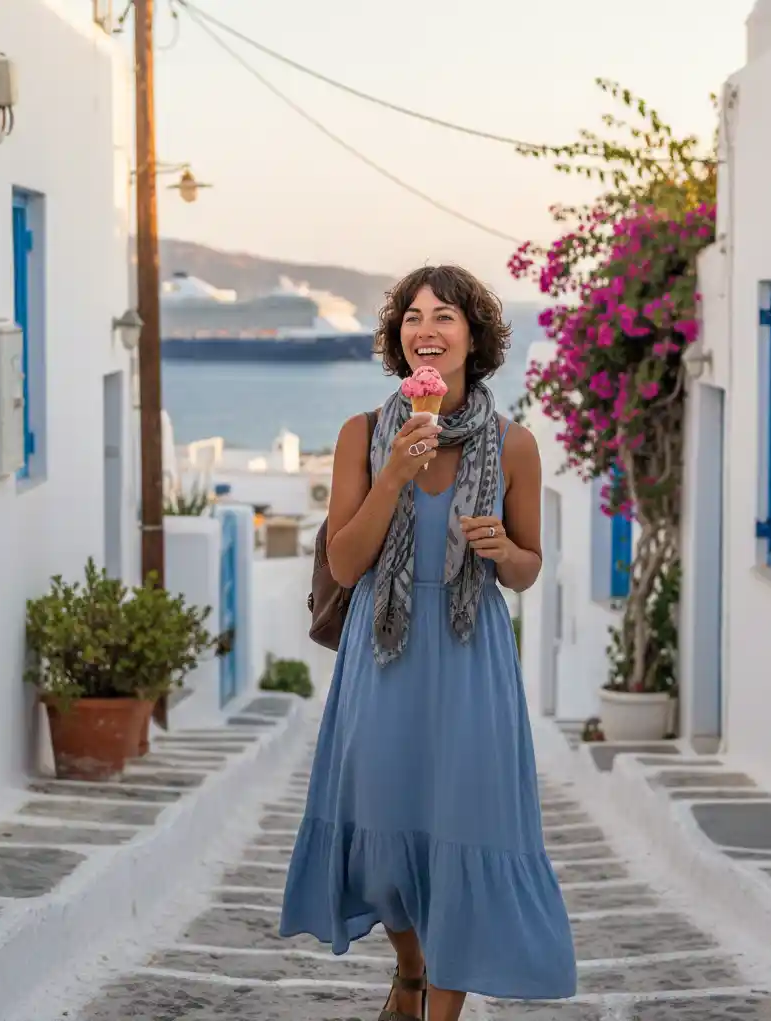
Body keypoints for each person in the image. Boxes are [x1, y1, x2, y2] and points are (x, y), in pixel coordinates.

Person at [279, 265, 577, 1021]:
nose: (426, 329)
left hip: (470, 656)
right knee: (380, 837)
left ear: (473, 339)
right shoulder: (361, 436)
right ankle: (409, 967)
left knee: (465, 833)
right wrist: (393, 475)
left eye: (445, 315)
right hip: (384, 657)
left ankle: (438, 1005)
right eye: (412, 317)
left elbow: (527, 569)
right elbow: (346, 562)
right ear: (398, 340)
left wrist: (501, 548)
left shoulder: (514, 447)